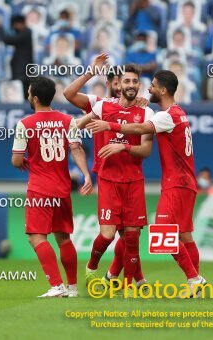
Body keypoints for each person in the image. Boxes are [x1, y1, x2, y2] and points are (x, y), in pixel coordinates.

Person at [86, 70, 207, 296]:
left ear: (162, 90)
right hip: (186, 183)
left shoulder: (166, 115)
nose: (147, 89)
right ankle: (193, 283)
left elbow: (141, 128)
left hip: (176, 183)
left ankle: (194, 278)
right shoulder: (178, 113)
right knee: (184, 236)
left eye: (152, 86)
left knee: (162, 233)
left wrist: (110, 127)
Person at [64, 54, 150, 288]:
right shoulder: (100, 104)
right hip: (108, 177)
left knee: (130, 236)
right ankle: (100, 270)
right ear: (116, 85)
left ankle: (127, 280)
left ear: (138, 85)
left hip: (133, 179)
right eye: (123, 81)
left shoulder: (145, 111)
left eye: (134, 82)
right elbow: (70, 103)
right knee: (112, 234)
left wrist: (120, 140)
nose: (127, 85)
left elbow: (145, 147)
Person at [11, 76, 93, 298]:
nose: (28, 96)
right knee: (64, 238)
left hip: (39, 188)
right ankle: (73, 288)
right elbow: (76, 149)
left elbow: (17, 161)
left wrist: (29, 162)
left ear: (35, 98)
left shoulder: (24, 124)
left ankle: (56, 285)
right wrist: (86, 175)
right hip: (62, 188)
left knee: (36, 237)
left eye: (29, 93)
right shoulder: (68, 121)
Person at [0, 14, 33, 98]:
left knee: (24, 91)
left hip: (23, 72)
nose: (15, 28)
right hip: (19, 70)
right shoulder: (22, 33)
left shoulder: (27, 32)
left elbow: (10, 40)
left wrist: (0, 27)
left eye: (16, 25)